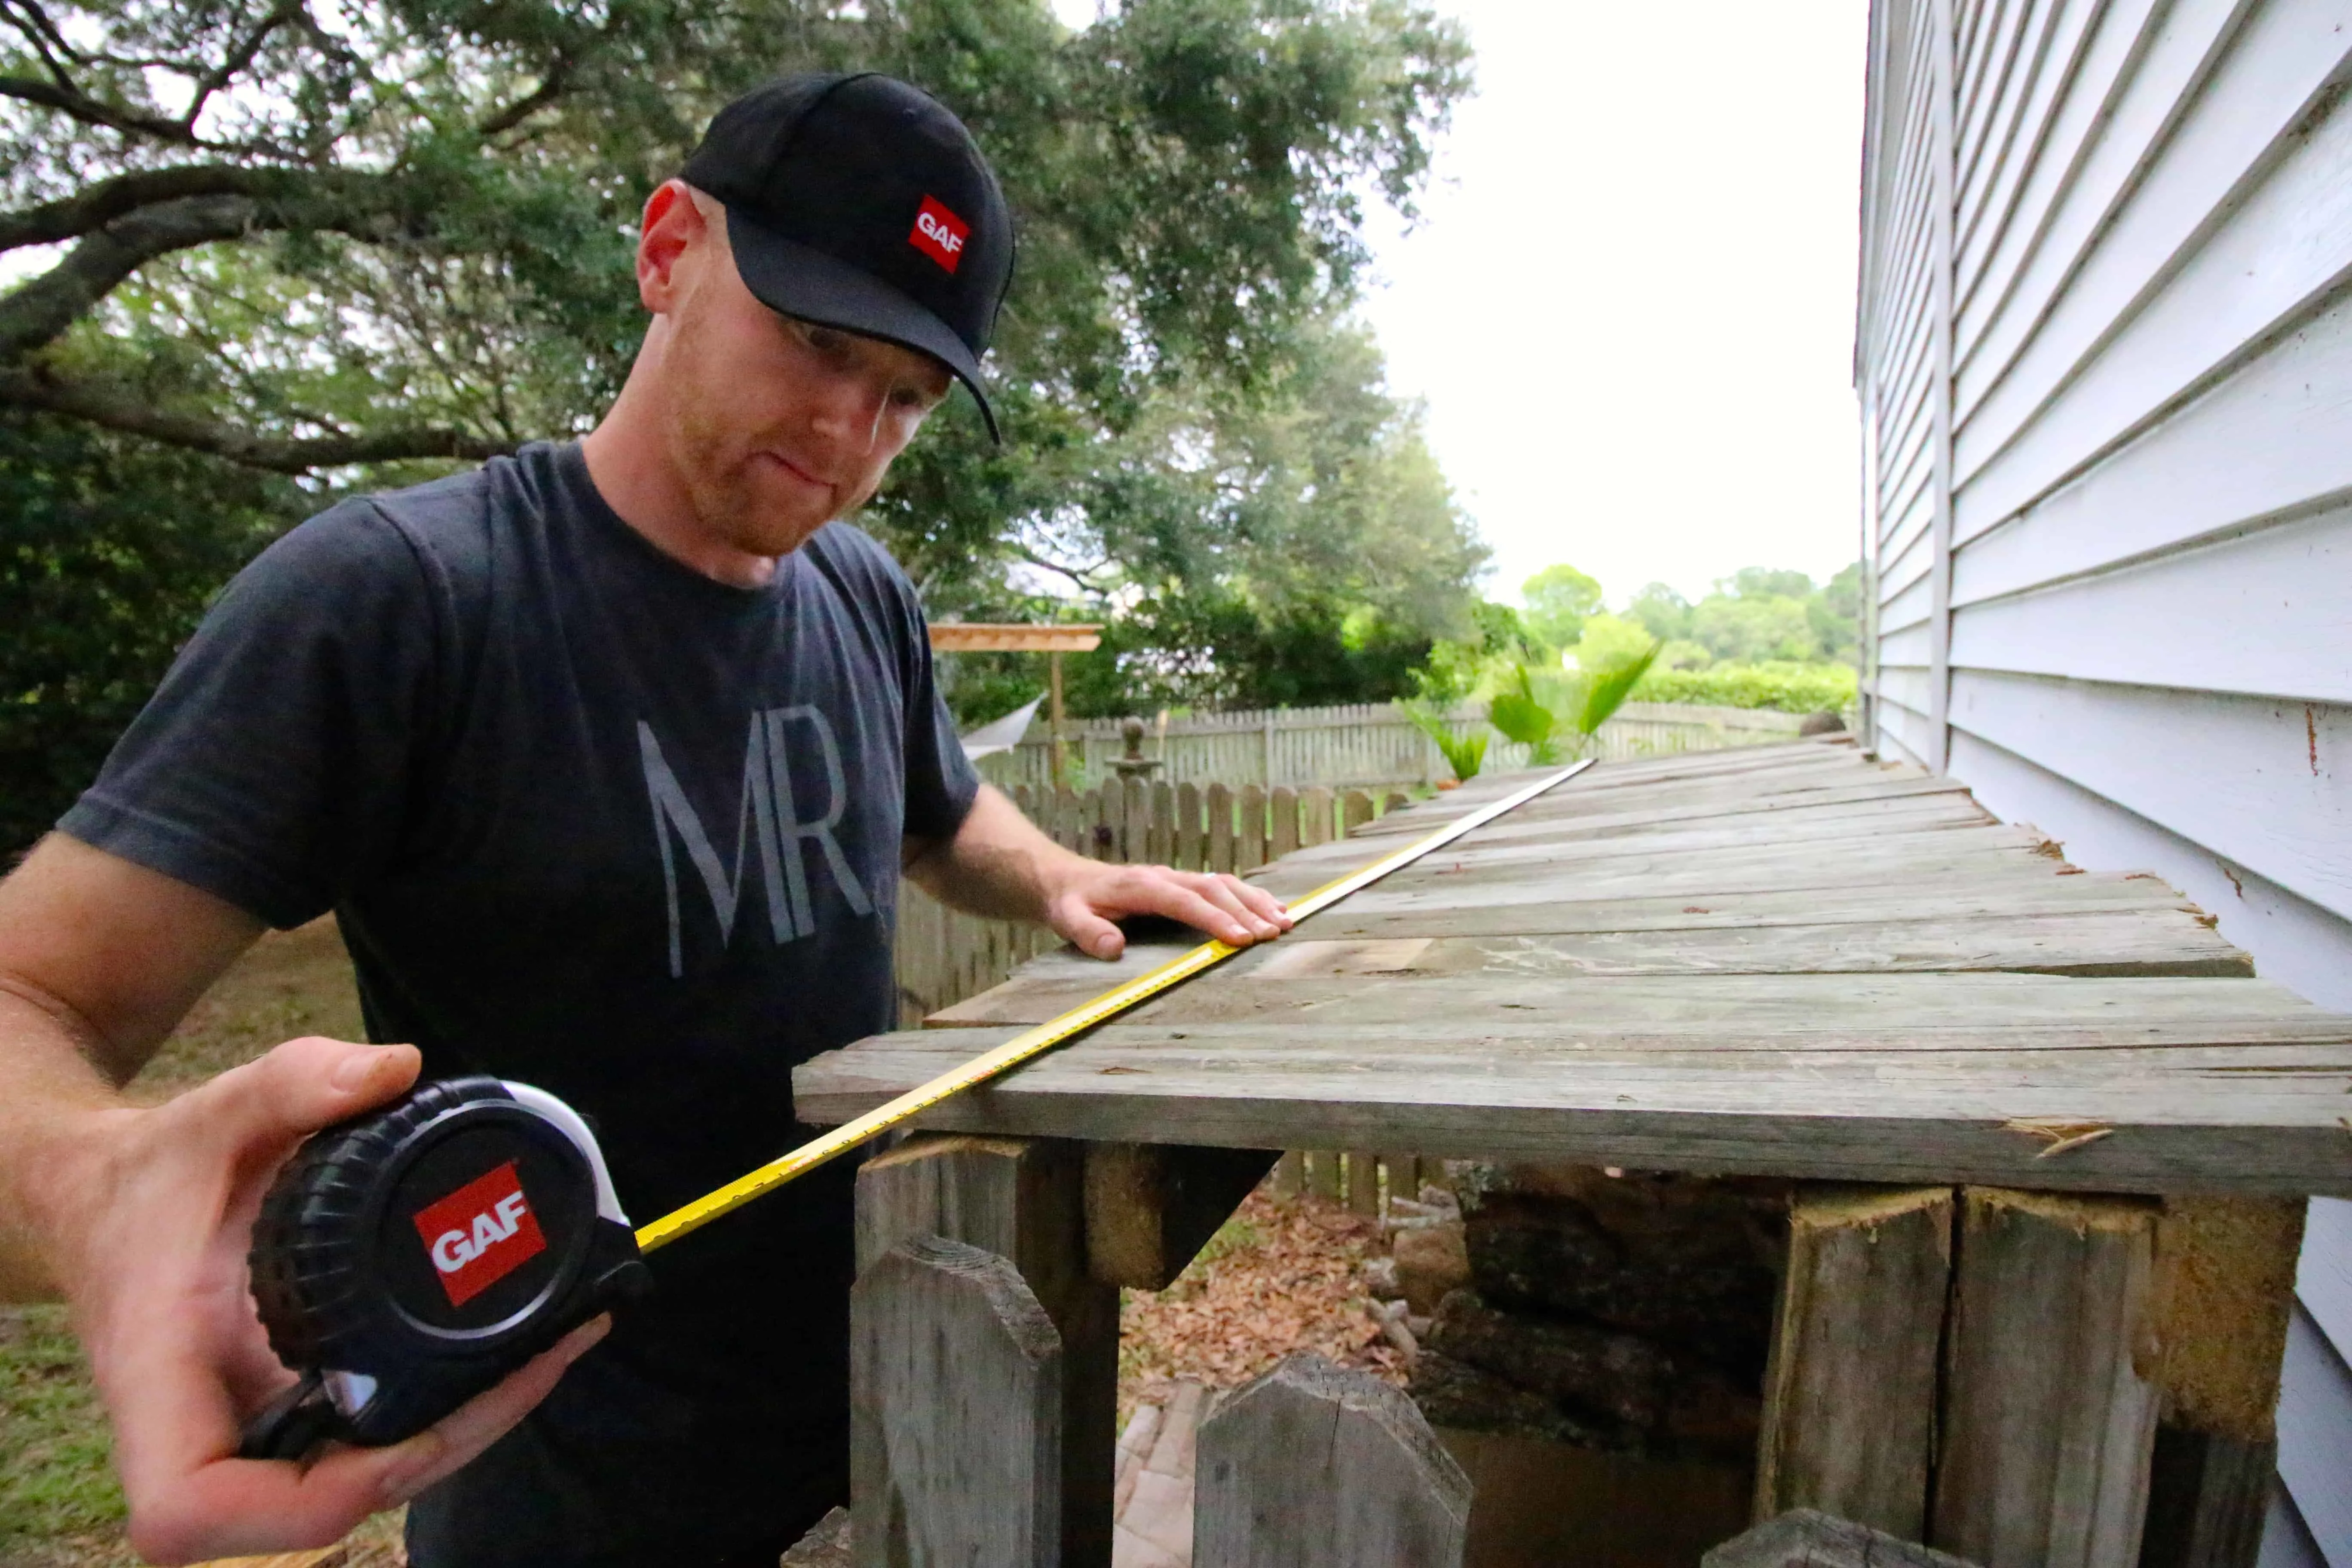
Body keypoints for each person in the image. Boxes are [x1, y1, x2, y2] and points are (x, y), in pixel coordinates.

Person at [0, 72, 1292, 1567]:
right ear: (669, 248)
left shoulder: (863, 598)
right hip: (561, 1494)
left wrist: (1062, 875)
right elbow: (32, 994)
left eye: (909, 397)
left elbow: (937, 815)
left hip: (900, 1422)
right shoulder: (400, 600)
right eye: (816, 338)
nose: (849, 428)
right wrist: (102, 1199)